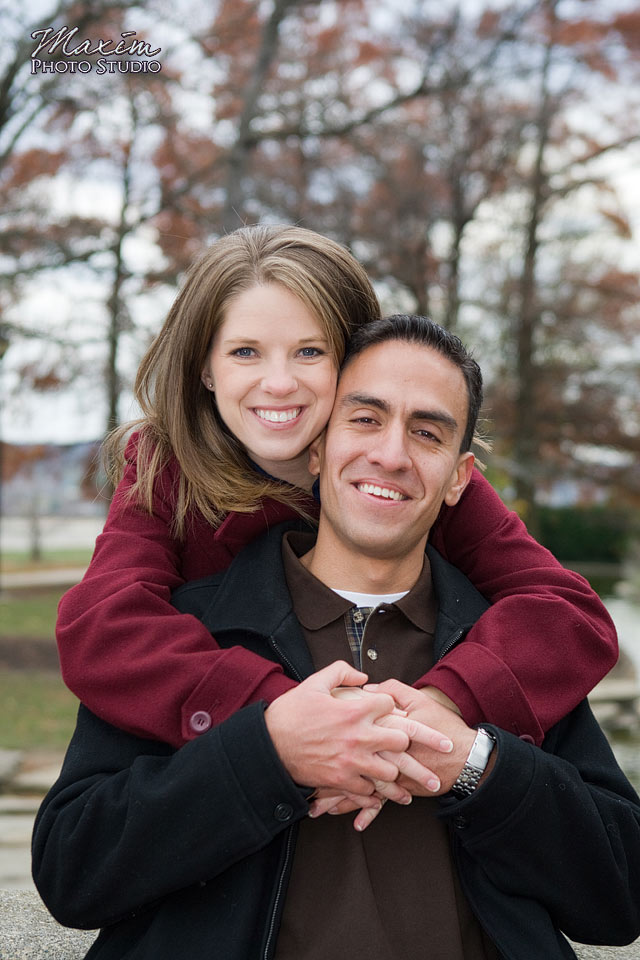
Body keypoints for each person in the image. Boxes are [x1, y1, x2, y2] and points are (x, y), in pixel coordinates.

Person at [32, 316, 640, 959]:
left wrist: (471, 766)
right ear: (316, 449)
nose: (392, 454)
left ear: (461, 477)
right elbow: (74, 872)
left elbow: (621, 895)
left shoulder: (509, 641)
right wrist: (268, 755)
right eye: (366, 419)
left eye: (427, 433)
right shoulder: (191, 635)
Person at [56, 224, 616, 760]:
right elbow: (103, 627)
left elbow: (568, 612)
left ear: (351, 360)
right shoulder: (167, 466)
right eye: (245, 352)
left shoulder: (407, 476)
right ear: (205, 367)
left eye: (309, 352)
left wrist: (445, 703)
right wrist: (281, 720)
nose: (278, 383)